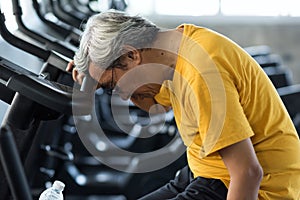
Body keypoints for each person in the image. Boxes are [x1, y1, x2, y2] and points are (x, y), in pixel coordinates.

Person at [67, 10, 300, 200]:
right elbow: (154, 105)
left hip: (256, 188)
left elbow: (248, 173)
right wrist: (93, 77)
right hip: (205, 172)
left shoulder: (202, 73)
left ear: (131, 56)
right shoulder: (178, 48)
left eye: (114, 85)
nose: (123, 97)